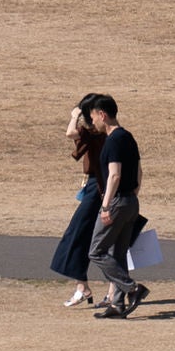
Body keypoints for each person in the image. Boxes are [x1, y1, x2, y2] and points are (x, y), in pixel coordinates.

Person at [78, 93, 149, 319]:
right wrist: (131, 197)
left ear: (103, 115)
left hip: (117, 202)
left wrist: (107, 205)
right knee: (117, 254)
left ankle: (133, 288)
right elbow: (139, 172)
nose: (92, 123)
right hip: (130, 201)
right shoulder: (128, 137)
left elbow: (114, 176)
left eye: (93, 118)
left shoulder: (115, 140)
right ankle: (117, 305)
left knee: (96, 251)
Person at [49, 105, 105, 307]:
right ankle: (83, 286)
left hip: (96, 187)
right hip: (96, 186)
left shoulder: (94, 132)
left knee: (77, 235)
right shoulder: (104, 133)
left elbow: (70, 133)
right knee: (84, 237)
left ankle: (86, 287)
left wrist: (74, 115)